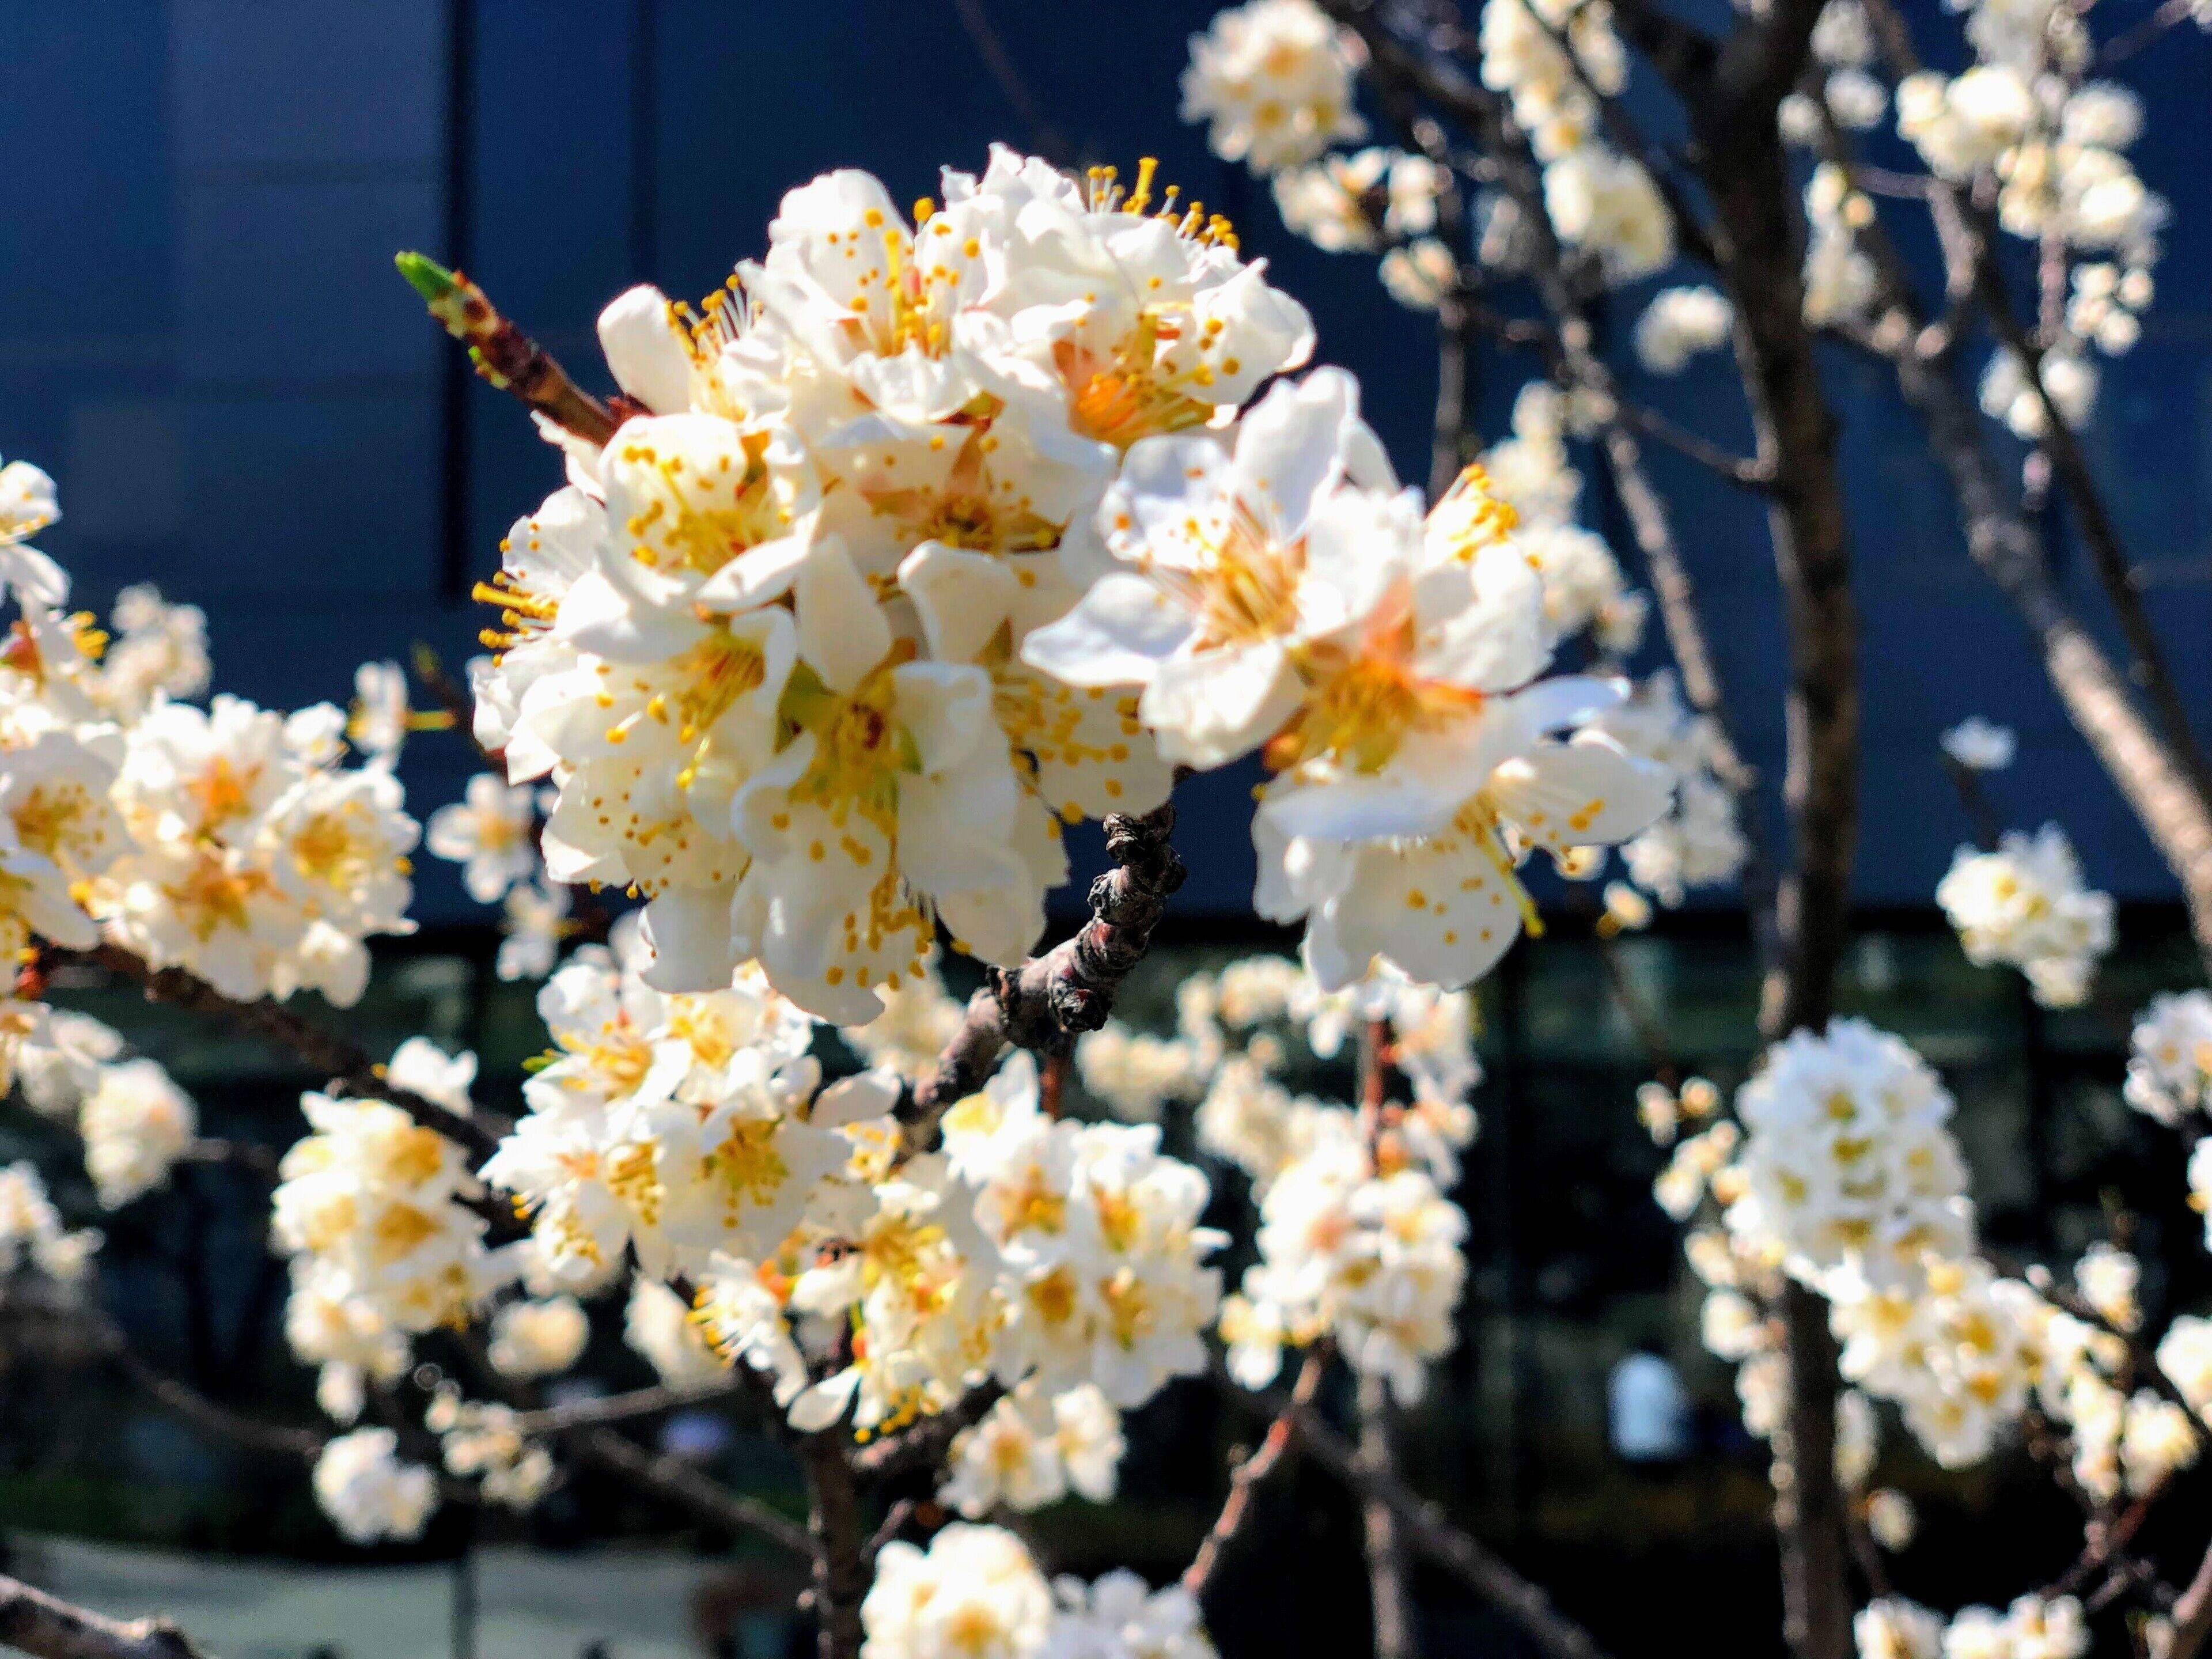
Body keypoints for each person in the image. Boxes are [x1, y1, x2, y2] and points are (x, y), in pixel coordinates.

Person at [1608, 1341, 1691, 1469]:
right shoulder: (1661, 1369)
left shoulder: (1624, 1369)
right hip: (1661, 1448)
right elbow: (1677, 1409)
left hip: (1627, 1447)